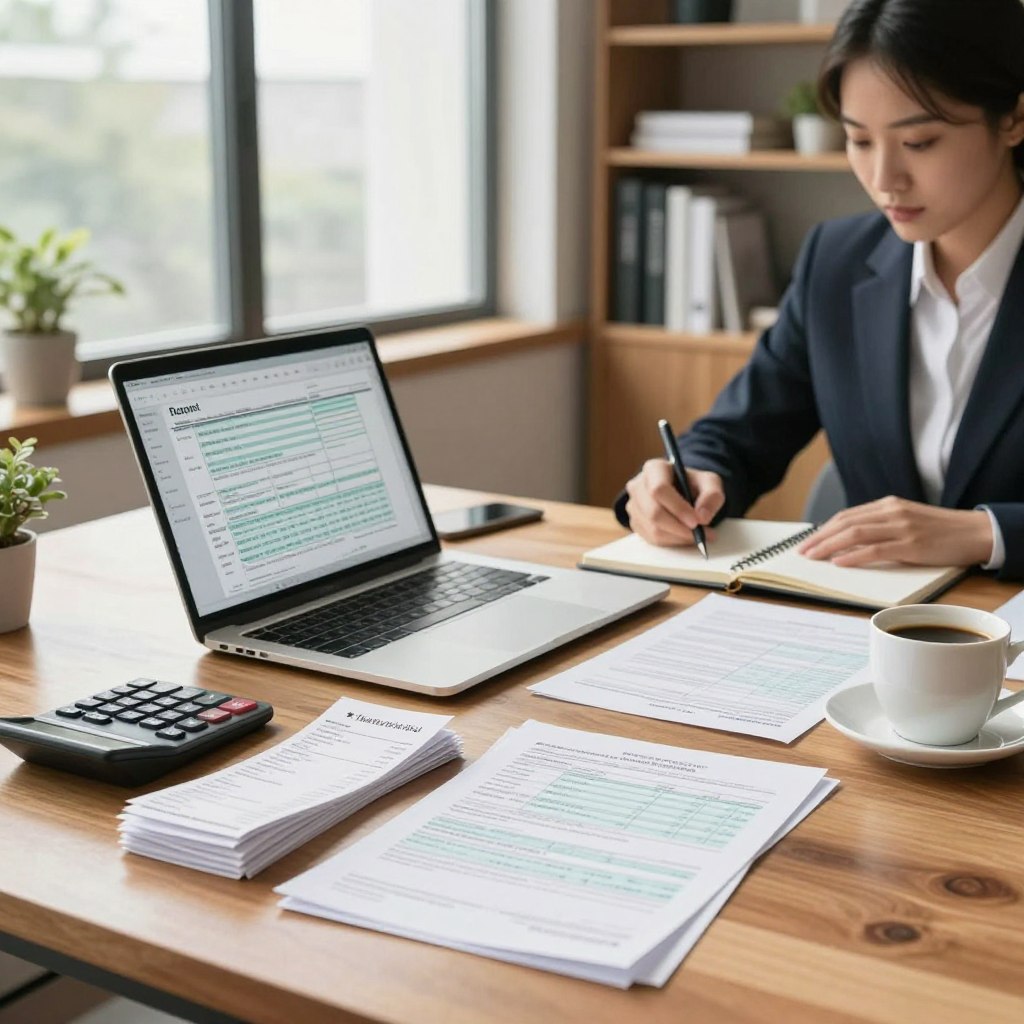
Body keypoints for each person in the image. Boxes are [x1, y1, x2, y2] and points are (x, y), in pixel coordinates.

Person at [617, 0, 1024, 581]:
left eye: (920, 142)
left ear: (1012, 118)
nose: (884, 180)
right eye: (859, 141)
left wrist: (984, 533)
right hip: (872, 625)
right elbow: (740, 430)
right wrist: (687, 480)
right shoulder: (836, 262)